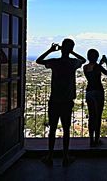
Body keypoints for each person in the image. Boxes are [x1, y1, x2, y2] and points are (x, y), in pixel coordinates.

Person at [36, 38, 86, 166]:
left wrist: (51, 50)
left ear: (62, 48)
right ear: (71, 48)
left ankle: (50, 156)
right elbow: (84, 60)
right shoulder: (73, 62)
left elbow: (39, 60)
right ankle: (65, 157)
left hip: (55, 99)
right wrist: (72, 52)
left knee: (52, 129)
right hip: (67, 100)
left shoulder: (55, 62)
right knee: (66, 129)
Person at [83, 49, 107, 147]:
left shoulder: (85, 67)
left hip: (89, 92)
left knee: (91, 116)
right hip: (98, 91)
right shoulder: (98, 67)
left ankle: (91, 139)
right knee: (98, 116)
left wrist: (100, 63)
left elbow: (93, 71)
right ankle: (97, 139)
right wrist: (106, 62)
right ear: (96, 57)